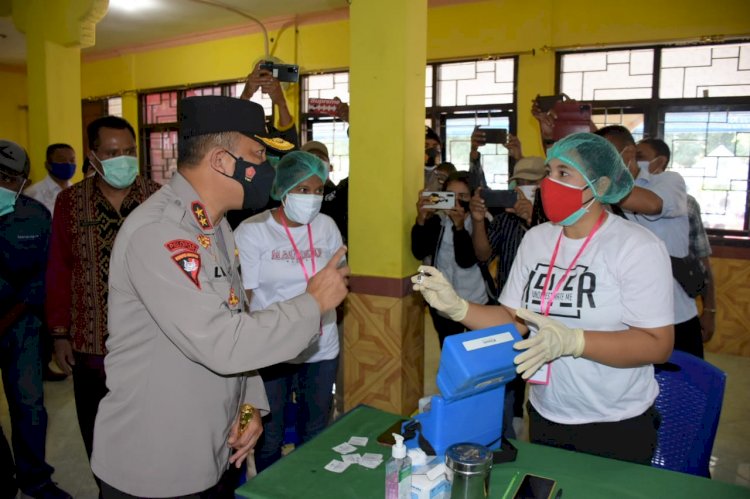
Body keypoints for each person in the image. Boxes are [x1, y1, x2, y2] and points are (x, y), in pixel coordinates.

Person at [91, 96, 349, 498]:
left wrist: (247, 405)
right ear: (222, 161)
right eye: (258, 155)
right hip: (156, 463)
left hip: (211, 448)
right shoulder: (160, 234)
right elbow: (223, 341)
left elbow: (235, 318)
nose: (267, 169)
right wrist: (311, 303)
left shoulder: (215, 228)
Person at [413, 133, 674, 465]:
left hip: (615, 421)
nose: (550, 183)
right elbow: (513, 319)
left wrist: (573, 342)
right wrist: (458, 308)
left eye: (563, 174)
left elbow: (657, 343)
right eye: (549, 172)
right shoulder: (537, 239)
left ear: (601, 184)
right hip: (546, 411)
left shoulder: (636, 246)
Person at [45, 116, 162, 469]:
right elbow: (59, 269)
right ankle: (106, 487)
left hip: (151, 340)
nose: (123, 160)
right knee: (97, 429)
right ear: (93, 155)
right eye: (112, 153)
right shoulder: (70, 203)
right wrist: (60, 333)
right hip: (91, 342)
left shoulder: (158, 199)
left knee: (151, 428)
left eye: (129, 151)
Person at [235, 150, 345, 472]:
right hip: (272, 351)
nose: (312, 198)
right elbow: (245, 300)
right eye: (303, 190)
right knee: (270, 436)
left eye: (318, 190)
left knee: (316, 431)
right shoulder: (253, 231)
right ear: (283, 189)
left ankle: (310, 486)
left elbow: (339, 278)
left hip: (321, 347)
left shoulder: (326, 226)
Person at [0, 140, 72, 499]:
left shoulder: (34, 216)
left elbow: (42, 278)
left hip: (21, 326)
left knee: (29, 405)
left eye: (10, 178)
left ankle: (35, 479)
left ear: (24, 180)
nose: (2, 185)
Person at [596, 126, 702, 358]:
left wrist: (604, 180)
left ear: (628, 153)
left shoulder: (667, 180)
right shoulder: (602, 189)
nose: (600, 161)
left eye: (607, 154)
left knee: (682, 390)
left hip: (675, 315)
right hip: (625, 315)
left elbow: (653, 205)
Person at [637, 137, 716, 344]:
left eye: (640, 157)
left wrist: (710, 309)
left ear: (659, 162)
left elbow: (702, 260)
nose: (634, 162)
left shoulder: (686, 204)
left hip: (679, 312)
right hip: (637, 313)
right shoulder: (620, 200)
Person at [411, 171, 488, 348]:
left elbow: (467, 260)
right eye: (450, 196)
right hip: (443, 303)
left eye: (463, 196)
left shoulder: (480, 221)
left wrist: (459, 227)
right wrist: (421, 219)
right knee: (448, 349)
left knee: (475, 351)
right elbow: (418, 251)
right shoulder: (437, 220)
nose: (457, 201)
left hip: (475, 301)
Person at [23, 143, 76, 216]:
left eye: (72, 160)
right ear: (48, 165)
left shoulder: (77, 190)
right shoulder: (32, 193)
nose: (68, 164)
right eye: (62, 160)